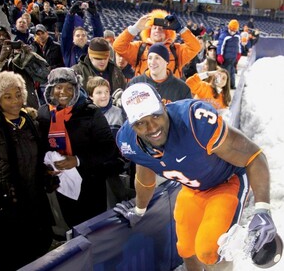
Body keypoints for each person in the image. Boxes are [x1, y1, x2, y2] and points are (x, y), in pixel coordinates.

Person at [114, 82, 278, 271]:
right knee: (185, 249)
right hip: (193, 189)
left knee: (209, 250)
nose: (152, 127)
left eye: (156, 115)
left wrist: (263, 209)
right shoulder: (128, 141)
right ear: (131, 125)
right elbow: (145, 175)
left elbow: (253, 156)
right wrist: (139, 210)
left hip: (226, 182)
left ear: (164, 105)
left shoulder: (194, 121)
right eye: (140, 122)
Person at [0, 71, 54, 271]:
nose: (15, 101)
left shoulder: (32, 123)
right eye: (7, 97)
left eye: (18, 94)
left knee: (38, 250)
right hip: (6, 205)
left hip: (35, 198)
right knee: (12, 256)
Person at [37, 67, 121, 228]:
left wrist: (77, 160)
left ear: (76, 89)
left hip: (91, 181)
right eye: (58, 87)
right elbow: (41, 147)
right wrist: (47, 167)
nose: (64, 92)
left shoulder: (90, 112)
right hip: (62, 182)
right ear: (50, 89)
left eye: (69, 88)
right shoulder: (43, 114)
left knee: (95, 224)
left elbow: (109, 148)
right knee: (73, 223)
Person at [86, 76, 135, 208]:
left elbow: (127, 141)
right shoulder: (86, 116)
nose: (104, 96)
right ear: (91, 96)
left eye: (106, 92)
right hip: (94, 170)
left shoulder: (119, 113)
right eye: (99, 92)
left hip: (116, 170)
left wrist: (122, 161)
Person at [112, 9, 201, 79]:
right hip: (145, 96)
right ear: (148, 31)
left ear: (168, 32)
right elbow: (118, 46)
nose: (157, 30)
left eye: (161, 28)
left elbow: (195, 47)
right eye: (154, 28)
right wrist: (135, 28)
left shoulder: (176, 50)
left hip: (170, 96)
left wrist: (181, 29)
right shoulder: (139, 48)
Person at [0, 23, 42, 109]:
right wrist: (0, 59)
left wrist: (30, 56)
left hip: (26, 107)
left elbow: (43, 75)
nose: (2, 38)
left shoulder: (19, 57)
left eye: (5, 35)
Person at [61, 0, 104, 67]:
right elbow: (66, 34)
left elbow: (98, 38)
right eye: (78, 36)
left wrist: (94, 15)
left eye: (83, 35)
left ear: (87, 38)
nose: (81, 37)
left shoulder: (91, 49)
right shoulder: (68, 50)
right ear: (73, 39)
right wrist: (71, 14)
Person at [216, 19, 241, 89]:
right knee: (226, 73)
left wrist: (239, 53)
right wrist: (220, 55)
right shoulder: (224, 35)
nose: (232, 32)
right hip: (226, 58)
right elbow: (220, 46)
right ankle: (225, 87)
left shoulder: (238, 36)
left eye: (234, 31)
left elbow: (239, 45)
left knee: (232, 72)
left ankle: (232, 85)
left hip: (233, 58)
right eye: (231, 30)